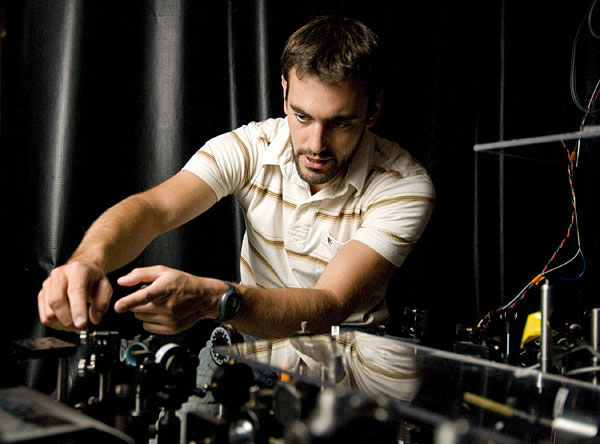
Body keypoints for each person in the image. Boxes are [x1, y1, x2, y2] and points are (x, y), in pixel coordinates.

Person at [38, 15, 435, 344]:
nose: (316, 144)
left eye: (340, 123)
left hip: (355, 368)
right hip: (253, 355)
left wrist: (217, 300)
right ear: (284, 93)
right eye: (301, 116)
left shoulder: (404, 185)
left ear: (373, 110)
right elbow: (153, 208)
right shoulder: (252, 145)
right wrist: (88, 261)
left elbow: (328, 304)